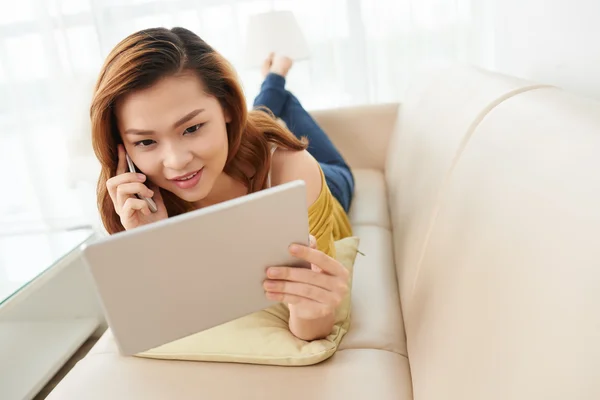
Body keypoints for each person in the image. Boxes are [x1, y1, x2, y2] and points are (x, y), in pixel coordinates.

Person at [90, 27, 355, 341]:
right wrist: (152, 241)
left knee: (325, 155)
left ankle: (276, 79)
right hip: (243, 138)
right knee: (261, 111)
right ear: (123, 148)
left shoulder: (292, 171)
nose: (175, 162)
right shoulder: (134, 200)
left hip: (330, 183)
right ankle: (272, 82)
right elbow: (162, 314)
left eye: (192, 128)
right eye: (146, 141)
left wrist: (312, 311)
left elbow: (312, 320)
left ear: (227, 108)